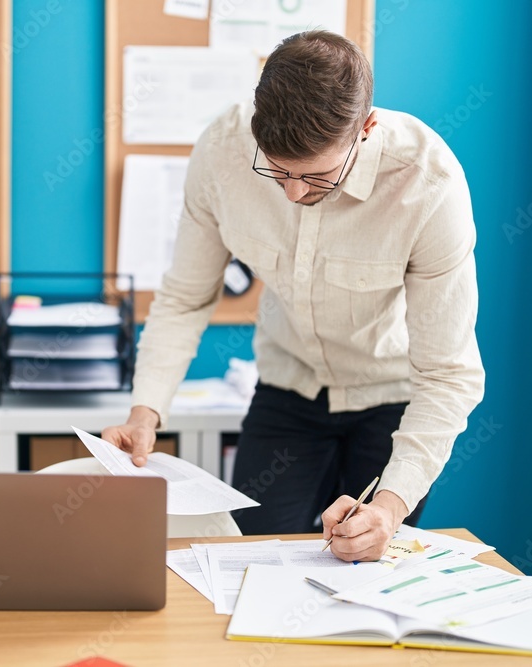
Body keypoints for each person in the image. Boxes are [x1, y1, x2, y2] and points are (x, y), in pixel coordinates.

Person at [101, 30, 484, 562]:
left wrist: (390, 507)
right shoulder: (222, 152)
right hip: (288, 386)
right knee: (252, 559)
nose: (293, 193)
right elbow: (185, 299)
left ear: (366, 129)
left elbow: (449, 374)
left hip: (391, 397)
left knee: (360, 562)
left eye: (316, 175)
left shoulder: (428, 185)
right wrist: (145, 414)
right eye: (276, 170)